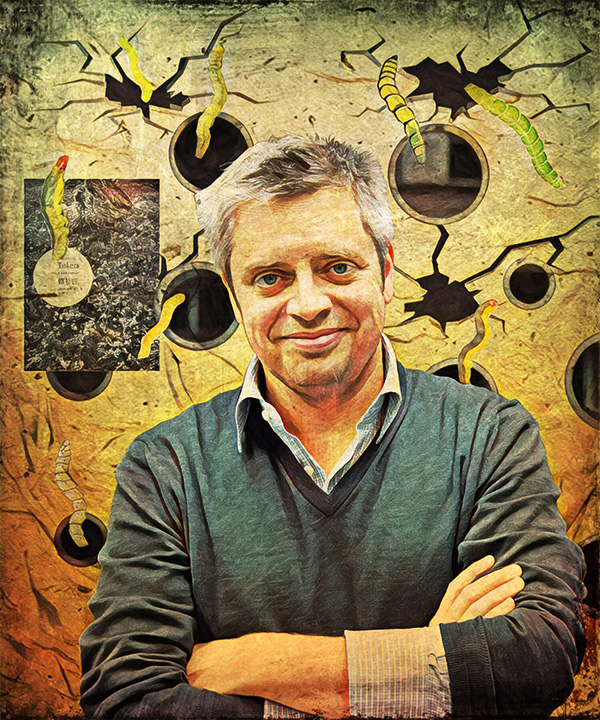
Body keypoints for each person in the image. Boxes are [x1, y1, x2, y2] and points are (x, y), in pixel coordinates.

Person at [80, 135, 586, 719]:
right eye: (270, 277)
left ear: (387, 271)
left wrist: (262, 665)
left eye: (337, 267)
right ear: (236, 298)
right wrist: (422, 662)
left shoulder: (489, 436)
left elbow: (539, 657)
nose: (307, 304)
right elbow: (127, 697)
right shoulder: (165, 466)